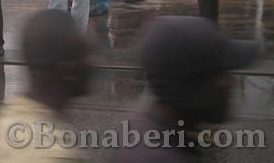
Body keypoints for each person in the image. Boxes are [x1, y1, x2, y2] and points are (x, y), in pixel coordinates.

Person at [110, 16, 260, 163]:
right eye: (219, 72)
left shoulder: (141, 125)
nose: (229, 82)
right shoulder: (160, 156)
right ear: (192, 83)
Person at [0, 9, 92, 162]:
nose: (95, 63)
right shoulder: (57, 155)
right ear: (67, 70)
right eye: (87, 54)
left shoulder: (8, 116)